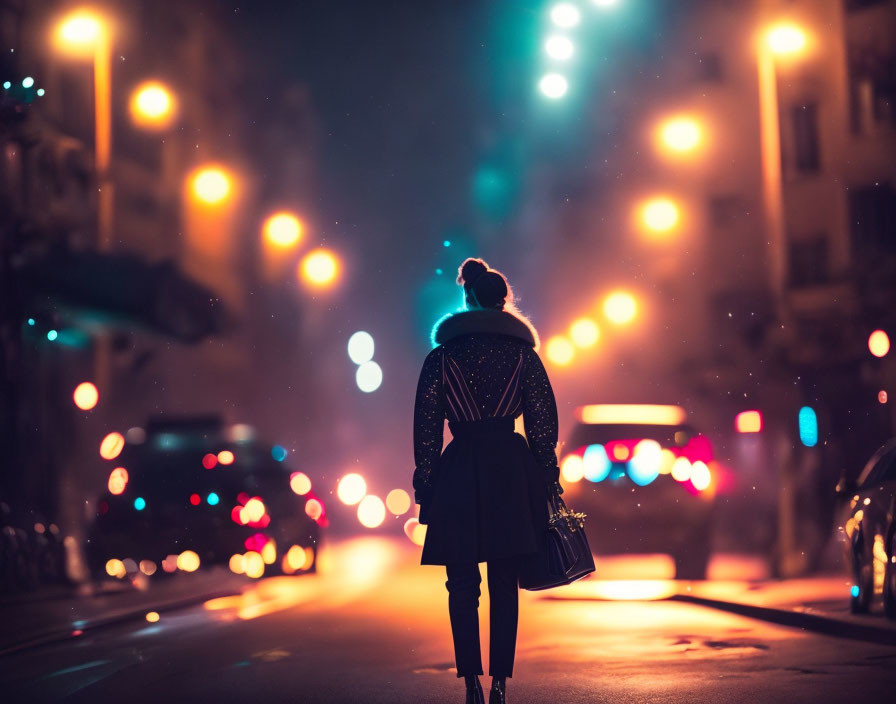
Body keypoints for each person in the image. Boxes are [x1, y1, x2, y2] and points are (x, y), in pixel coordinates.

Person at [412, 258, 564, 704]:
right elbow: (542, 425)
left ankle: (471, 684)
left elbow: (426, 429)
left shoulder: (442, 358)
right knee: (504, 581)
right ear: (504, 303)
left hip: (459, 472)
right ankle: (500, 682)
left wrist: (426, 480)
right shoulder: (524, 356)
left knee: (461, 584)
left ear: (468, 299)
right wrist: (547, 477)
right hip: (511, 474)